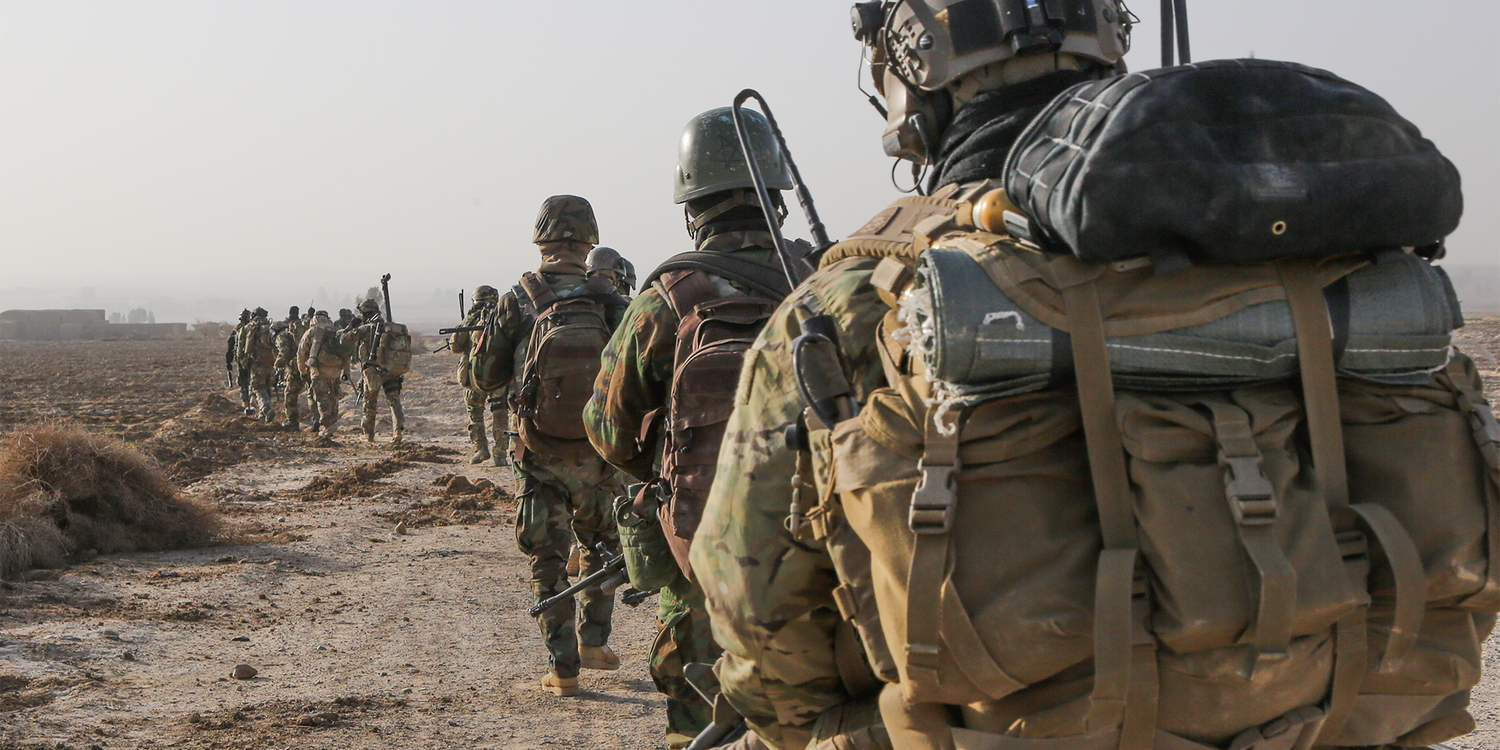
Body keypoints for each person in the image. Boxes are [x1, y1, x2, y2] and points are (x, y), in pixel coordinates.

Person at [584, 106, 800, 749]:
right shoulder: (829, 279)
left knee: (696, 710)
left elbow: (606, 427)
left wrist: (668, 469)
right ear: (778, 192)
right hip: (827, 545)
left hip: (704, 555)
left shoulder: (668, 298)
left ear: (691, 204)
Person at [471, 194, 627, 697]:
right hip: (600, 452)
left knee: (548, 559)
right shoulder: (610, 299)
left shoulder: (518, 298)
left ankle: (563, 670)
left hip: (537, 453)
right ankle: (596, 645)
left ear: (541, 239)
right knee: (602, 547)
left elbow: (484, 377)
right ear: (589, 241)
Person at [451, 284, 508, 465]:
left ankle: (481, 448)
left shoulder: (473, 319)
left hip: (474, 375)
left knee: (475, 412)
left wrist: (467, 321)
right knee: (500, 412)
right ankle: (500, 453)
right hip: (498, 374)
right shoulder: (503, 318)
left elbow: (455, 346)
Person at [347, 297, 411, 444]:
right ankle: (398, 431)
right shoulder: (391, 328)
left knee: (370, 402)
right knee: (394, 400)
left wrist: (351, 326)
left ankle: (368, 434)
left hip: (373, 371)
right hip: (391, 369)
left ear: (365, 314)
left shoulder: (366, 328)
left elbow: (343, 339)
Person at [298, 309, 354, 438]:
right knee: (333, 398)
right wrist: (347, 371)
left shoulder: (311, 332)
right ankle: (332, 424)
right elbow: (346, 355)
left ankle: (327, 426)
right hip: (335, 371)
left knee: (322, 399)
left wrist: (302, 371)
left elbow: (301, 353)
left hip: (318, 371)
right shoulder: (335, 332)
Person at [236, 307, 277, 423]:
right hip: (270, 362)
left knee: (258, 387)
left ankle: (266, 408)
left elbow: (240, 347)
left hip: (256, 363)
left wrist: (243, 361)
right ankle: (262, 413)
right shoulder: (271, 327)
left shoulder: (248, 328)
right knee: (267, 386)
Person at [229, 308, 252, 411]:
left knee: (244, 383)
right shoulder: (253, 328)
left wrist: (228, 361)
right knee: (249, 382)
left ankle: (247, 403)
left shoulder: (238, 330)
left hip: (242, 360)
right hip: (251, 360)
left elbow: (230, 347)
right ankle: (250, 402)